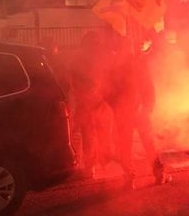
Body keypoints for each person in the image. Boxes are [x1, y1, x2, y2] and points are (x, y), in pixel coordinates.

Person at [105, 38, 170, 189]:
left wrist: (115, 108)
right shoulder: (139, 63)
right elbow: (148, 87)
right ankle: (159, 174)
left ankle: (129, 179)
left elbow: (108, 92)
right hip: (140, 111)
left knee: (124, 146)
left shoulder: (114, 66)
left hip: (123, 113)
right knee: (148, 143)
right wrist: (148, 107)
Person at [70, 31, 113, 179]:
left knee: (91, 135)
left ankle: (93, 166)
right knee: (98, 134)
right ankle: (98, 164)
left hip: (93, 103)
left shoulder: (78, 60)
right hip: (95, 103)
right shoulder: (98, 59)